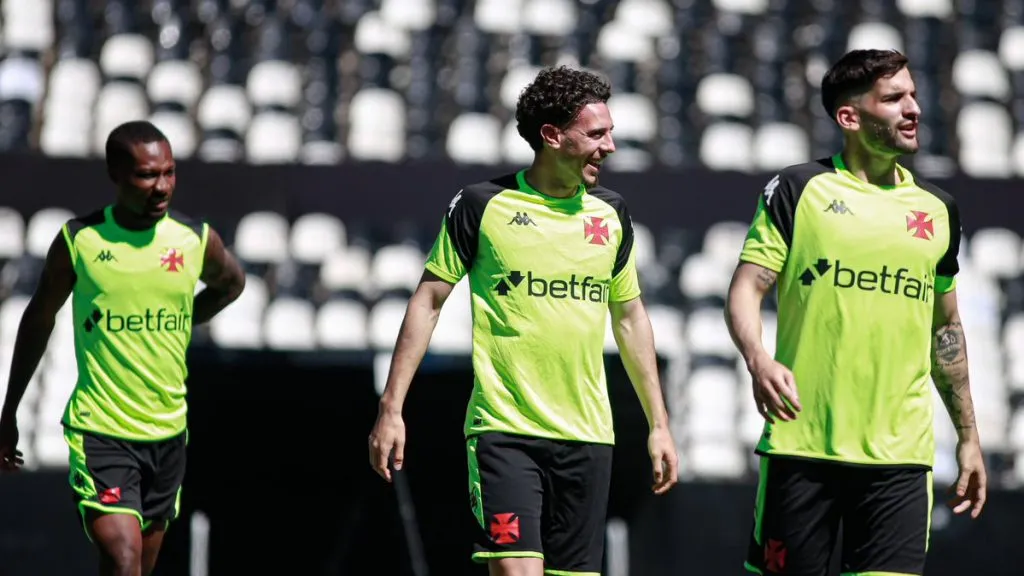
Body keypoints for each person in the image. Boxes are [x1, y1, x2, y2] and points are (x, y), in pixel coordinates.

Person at [368, 65, 679, 576]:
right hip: (505, 431)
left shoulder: (611, 214)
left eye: (611, 132)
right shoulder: (481, 206)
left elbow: (629, 317)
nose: (611, 147)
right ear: (553, 136)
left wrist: (659, 425)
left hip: (588, 436)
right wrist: (391, 407)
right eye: (597, 134)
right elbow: (428, 301)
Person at [726, 49, 987, 576]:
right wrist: (758, 359)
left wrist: (969, 437)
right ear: (850, 117)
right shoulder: (799, 190)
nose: (913, 108)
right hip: (803, 446)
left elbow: (946, 329)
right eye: (894, 99)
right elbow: (746, 289)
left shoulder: (938, 209)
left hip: (901, 457)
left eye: (913, 94)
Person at [0, 120, 246, 576]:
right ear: (116, 175)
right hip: (102, 433)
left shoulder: (194, 240)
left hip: (168, 435)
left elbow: (232, 283)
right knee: (123, 556)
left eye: (169, 173)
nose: (162, 187)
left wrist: (183, 320)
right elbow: (38, 320)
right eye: (147, 175)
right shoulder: (82, 241)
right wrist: (9, 410)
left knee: (134, 569)